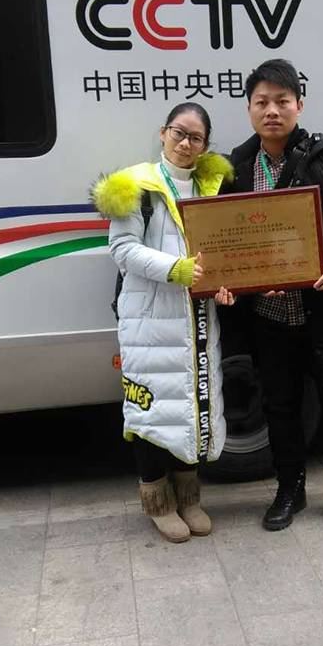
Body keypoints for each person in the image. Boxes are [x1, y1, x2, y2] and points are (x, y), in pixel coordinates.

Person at [222, 59, 323, 533]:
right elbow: (226, 238)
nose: (272, 110)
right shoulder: (235, 168)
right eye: (261, 102)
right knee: (280, 406)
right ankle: (289, 490)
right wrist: (232, 278)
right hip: (270, 314)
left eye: (282, 101)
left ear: (299, 104)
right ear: (249, 109)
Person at [92, 103, 234, 543]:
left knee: (193, 403)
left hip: (198, 318)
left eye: (196, 137)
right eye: (179, 132)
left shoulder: (213, 186)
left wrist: (226, 284)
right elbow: (123, 249)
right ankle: (159, 501)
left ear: (205, 146)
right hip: (150, 319)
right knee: (152, 406)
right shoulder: (137, 186)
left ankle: (188, 496)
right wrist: (176, 269)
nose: (186, 143)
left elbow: (224, 251)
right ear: (163, 133)